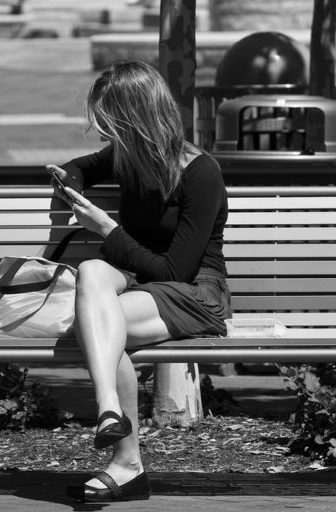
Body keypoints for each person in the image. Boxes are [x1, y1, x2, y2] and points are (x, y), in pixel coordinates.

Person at [46, 60, 231, 502]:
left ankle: (126, 464)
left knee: (99, 329)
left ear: (139, 120)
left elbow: (173, 272)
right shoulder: (127, 157)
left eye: (113, 124)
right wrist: (65, 182)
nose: (107, 136)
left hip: (194, 293)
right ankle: (111, 411)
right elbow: (79, 167)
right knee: (92, 274)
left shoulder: (200, 174)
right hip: (138, 282)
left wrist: (106, 230)